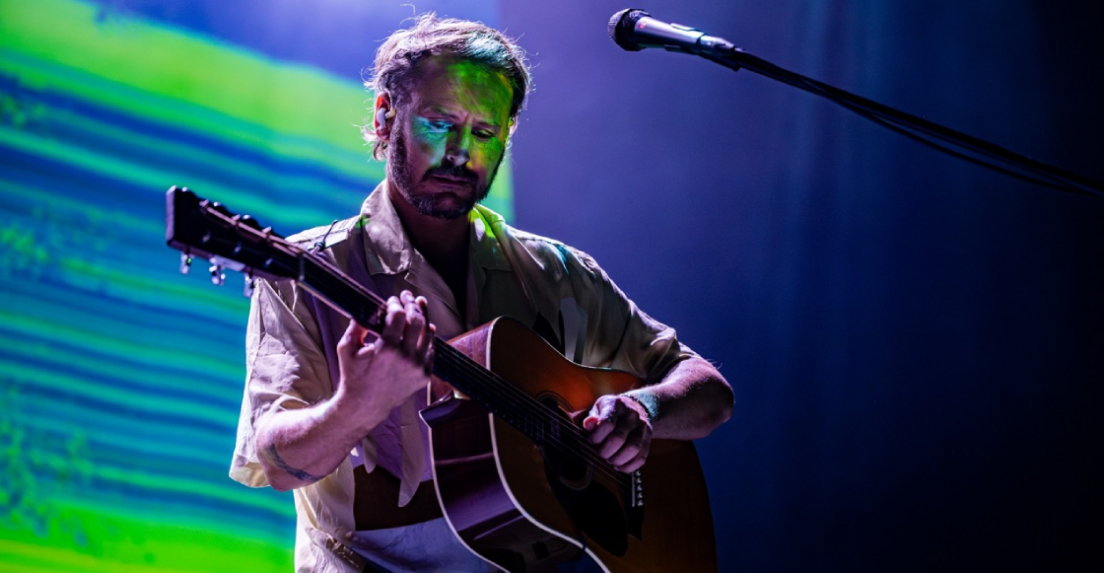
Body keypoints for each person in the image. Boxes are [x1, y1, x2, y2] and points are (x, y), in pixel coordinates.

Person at [229, 14, 733, 573]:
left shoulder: (556, 272)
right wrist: (357, 405)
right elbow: (276, 462)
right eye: (438, 123)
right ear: (384, 115)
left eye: (484, 133)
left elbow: (710, 393)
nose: (460, 153)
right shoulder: (304, 273)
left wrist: (645, 408)